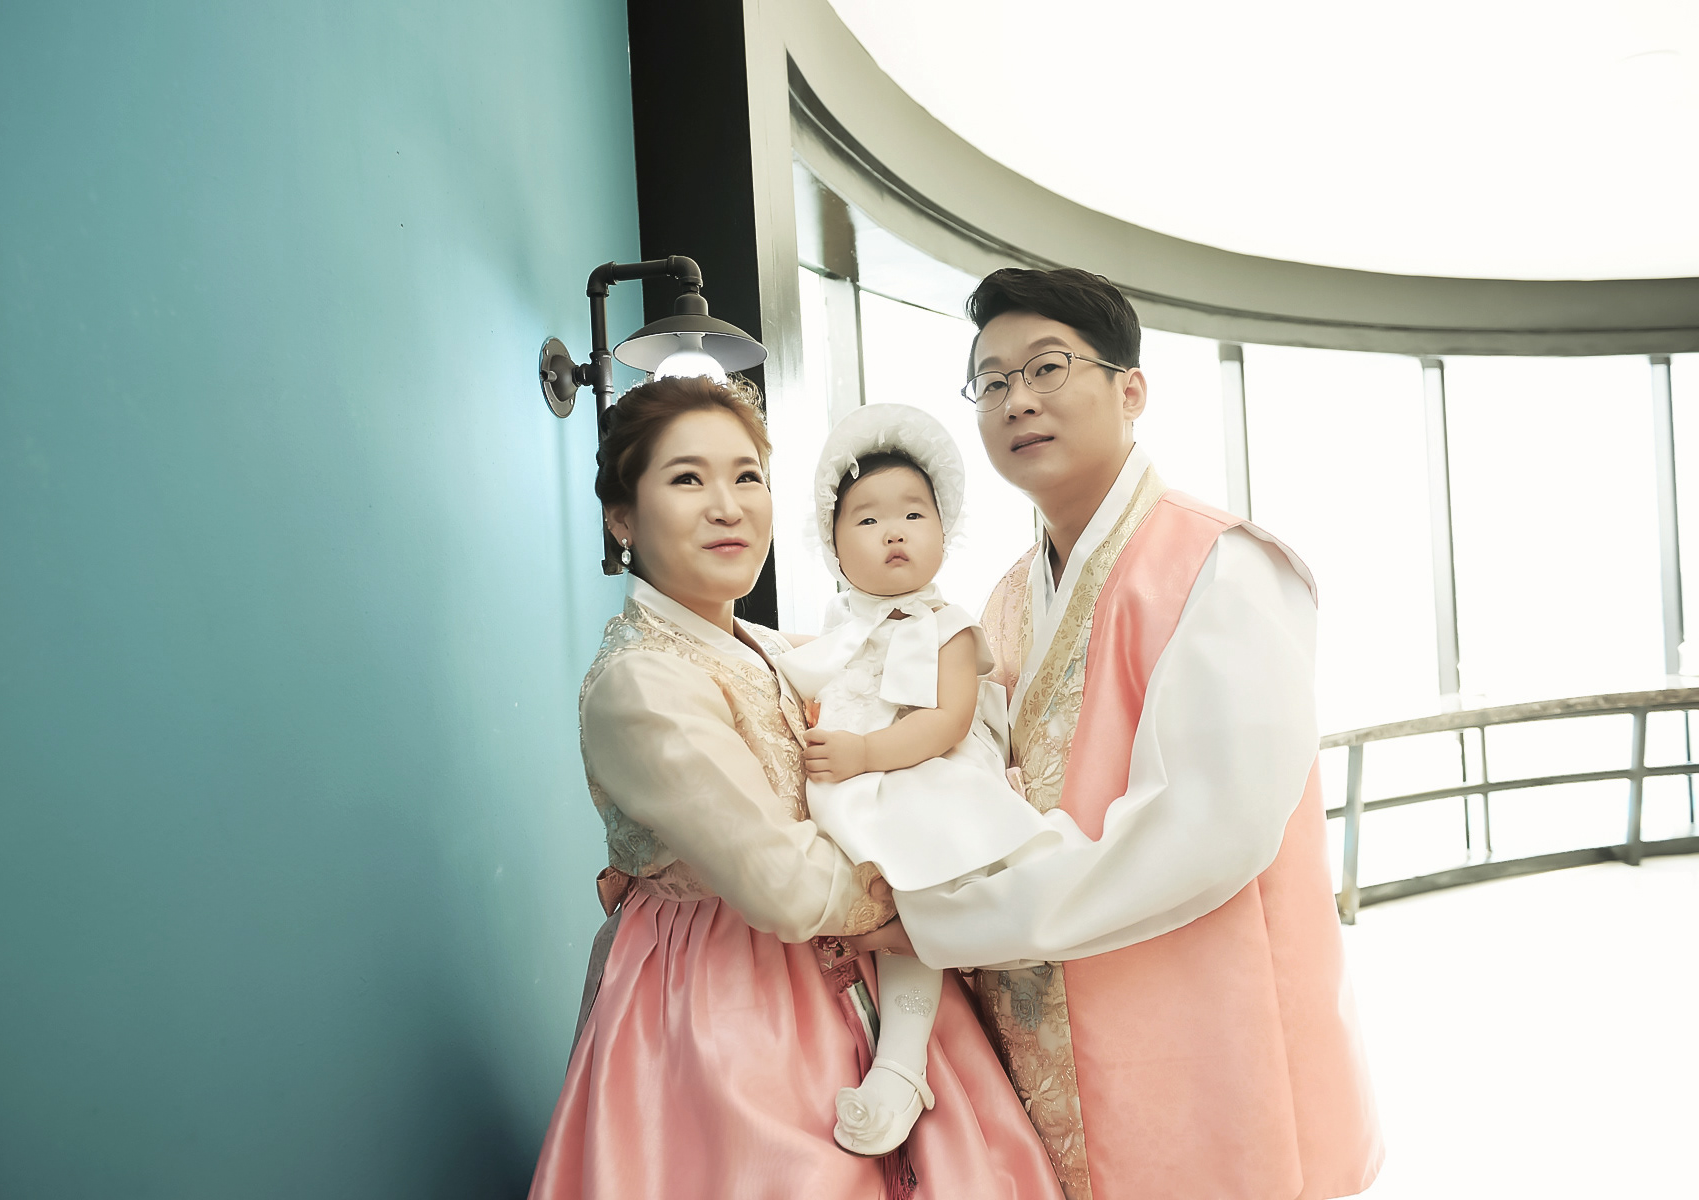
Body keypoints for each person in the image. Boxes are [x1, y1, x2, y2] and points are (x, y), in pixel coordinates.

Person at [892, 268, 1384, 1200]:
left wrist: (950, 920)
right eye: (991, 381)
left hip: (1203, 1042)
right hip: (1045, 1050)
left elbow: (1205, 833)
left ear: (1132, 390)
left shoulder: (1221, 565)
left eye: (1047, 367)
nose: (1018, 400)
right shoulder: (1005, 597)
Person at [527, 375, 1061, 1200]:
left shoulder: (765, 646)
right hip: (724, 999)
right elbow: (784, 883)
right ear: (622, 517)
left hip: (850, 965)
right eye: (687, 478)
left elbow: (892, 670)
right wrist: (940, 884)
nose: (728, 506)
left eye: (747, 477)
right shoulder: (643, 682)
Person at [775, 404, 1082, 1159]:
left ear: (945, 533)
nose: (895, 532)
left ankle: (902, 1063)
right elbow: (803, 672)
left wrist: (865, 753)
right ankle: (874, 1042)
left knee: (917, 894)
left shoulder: (948, 625)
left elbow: (946, 722)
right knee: (862, 898)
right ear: (833, 547)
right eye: (869, 519)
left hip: (926, 775)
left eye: (914, 514)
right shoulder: (840, 625)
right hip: (863, 776)